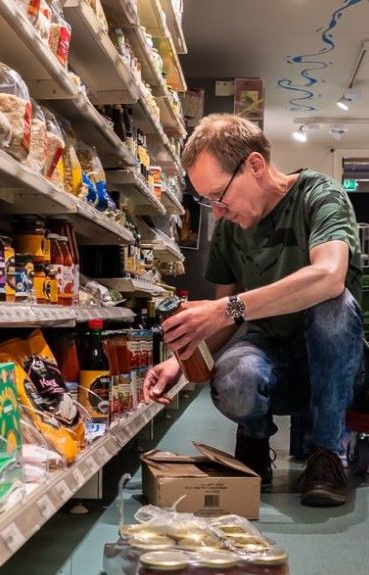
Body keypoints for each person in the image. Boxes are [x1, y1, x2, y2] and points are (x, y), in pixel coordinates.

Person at [143, 113, 364, 507]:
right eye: (207, 201)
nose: (217, 211)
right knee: (236, 379)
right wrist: (180, 361)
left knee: (333, 305)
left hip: (332, 364)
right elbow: (222, 323)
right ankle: (255, 443)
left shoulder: (321, 196)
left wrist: (227, 307)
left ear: (255, 165)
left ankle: (327, 451)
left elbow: (329, 275)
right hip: (270, 349)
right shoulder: (231, 229)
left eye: (219, 196)